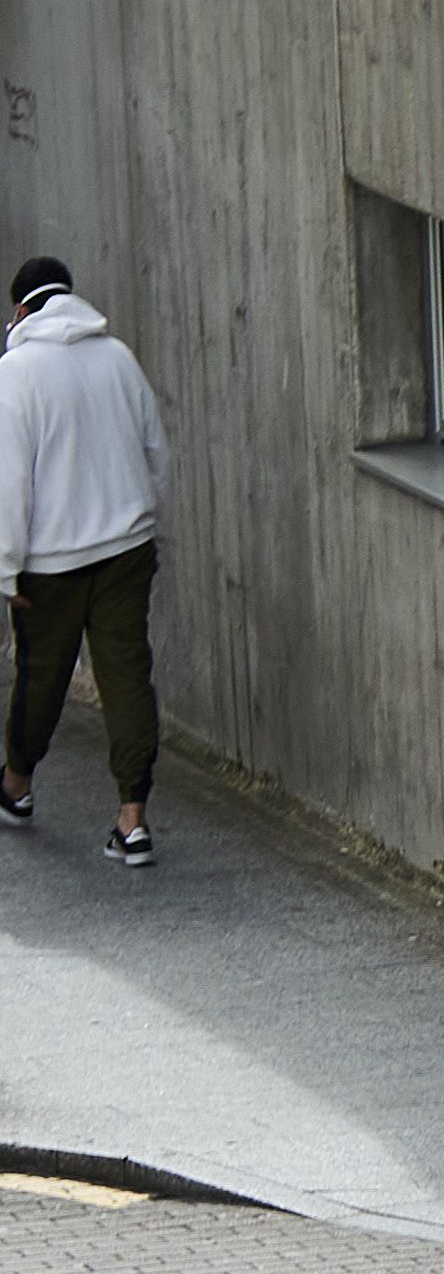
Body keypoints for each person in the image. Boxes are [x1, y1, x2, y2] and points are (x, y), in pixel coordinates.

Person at [0, 257, 170, 870]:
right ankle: (133, 820)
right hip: (127, 548)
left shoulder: (16, 374)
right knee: (126, 676)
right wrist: (149, 525)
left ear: (21, 309)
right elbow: (156, 450)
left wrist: (6, 569)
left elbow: (8, 482)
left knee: (42, 677)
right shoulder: (119, 357)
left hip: (50, 563)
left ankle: (16, 786)